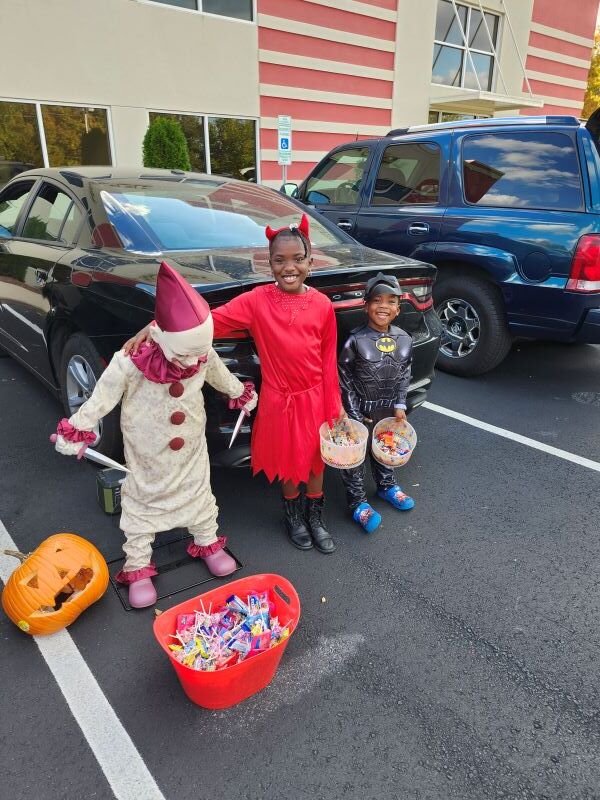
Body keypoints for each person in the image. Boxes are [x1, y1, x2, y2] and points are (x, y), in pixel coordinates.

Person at [124, 214, 343, 554]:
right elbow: (205, 322)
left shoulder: (322, 306)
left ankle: (315, 516)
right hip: (279, 398)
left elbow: (328, 362)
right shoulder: (256, 301)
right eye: (279, 260)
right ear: (268, 264)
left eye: (298, 259)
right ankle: (293, 517)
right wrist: (154, 328)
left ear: (310, 261)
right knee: (288, 460)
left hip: (314, 396)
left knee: (315, 459)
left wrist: (335, 407)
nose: (289, 267)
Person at [52, 261, 257, 608]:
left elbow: (219, 375)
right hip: (146, 451)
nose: (192, 360)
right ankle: (139, 564)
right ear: (160, 336)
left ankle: (207, 540)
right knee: (143, 502)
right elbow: (101, 396)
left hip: (192, 444)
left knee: (198, 492)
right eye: (184, 354)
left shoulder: (200, 354)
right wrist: (78, 427)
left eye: (197, 353)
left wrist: (240, 393)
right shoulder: (131, 361)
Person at [338, 272, 415, 533]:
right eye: (377, 300)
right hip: (360, 409)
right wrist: (353, 414)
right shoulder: (354, 339)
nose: (384, 306)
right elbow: (344, 378)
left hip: (389, 409)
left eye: (391, 301)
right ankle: (357, 502)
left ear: (398, 308)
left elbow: (405, 372)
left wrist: (401, 404)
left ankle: (386, 486)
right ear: (366, 304)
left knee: (387, 448)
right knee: (355, 457)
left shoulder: (405, 338)